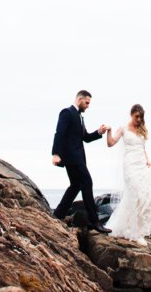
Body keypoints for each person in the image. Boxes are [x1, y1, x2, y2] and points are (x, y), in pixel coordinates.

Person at [52, 90, 112, 233]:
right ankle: (93, 221)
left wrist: (99, 132)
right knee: (87, 183)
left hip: (77, 159)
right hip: (72, 158)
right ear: (79, 99)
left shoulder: (79, 117)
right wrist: (55, 154)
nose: (88, 106)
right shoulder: (67, 113)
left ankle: (57, 215)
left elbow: (85, 137)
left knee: (75, 186)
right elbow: (59, 133)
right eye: (87, 103)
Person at [104, 104, 151, 245]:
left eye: (141, 117)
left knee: (144, 197)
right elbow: (111, 143)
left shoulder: (142, 129)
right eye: (137, 116)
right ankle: (135, 234)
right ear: (131, 114)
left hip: (142, 165)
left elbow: (143, 148)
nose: (139, 119)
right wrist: (109, 131)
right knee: (135, 194)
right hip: (130, 166)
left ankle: (136, 229)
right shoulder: (123, 128)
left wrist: (148, 161)